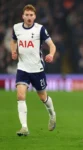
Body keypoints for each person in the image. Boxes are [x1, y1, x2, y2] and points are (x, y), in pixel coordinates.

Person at [10, 4, 56, 136]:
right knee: (20, 96)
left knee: (43, 97)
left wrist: (51, 54)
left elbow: (52, 45)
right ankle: (24, 127)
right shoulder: (16, 28)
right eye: (27, 15)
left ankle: (52, 114)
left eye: (31, 15)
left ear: (34, 16)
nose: (29, 17)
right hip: (22, 68)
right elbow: (13, 41)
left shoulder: (40, 29)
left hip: (37, 69)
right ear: (22, 16)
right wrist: (13, 51)